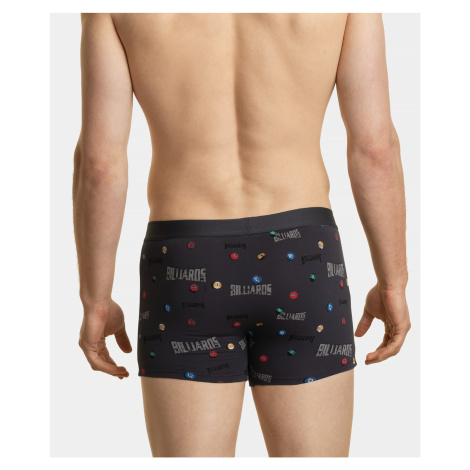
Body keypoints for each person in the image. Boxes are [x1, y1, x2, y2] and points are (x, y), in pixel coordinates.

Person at [73, 13, 411, 457]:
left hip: (185, 263)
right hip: (303, 260)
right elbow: (375, 149)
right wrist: (393, 283)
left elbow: (99, 165)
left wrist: (95, 300)